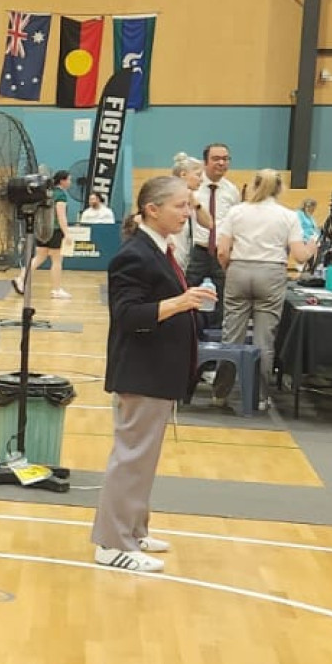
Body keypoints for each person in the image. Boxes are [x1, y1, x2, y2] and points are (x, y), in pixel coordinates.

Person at [91, 176, 217, 572]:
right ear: (153, 209)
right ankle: (112, 543)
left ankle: (133, 528)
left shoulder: (160, 250)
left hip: (160, 372)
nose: (187, 213)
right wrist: (182, 302)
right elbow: (127, 316)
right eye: (181, 206)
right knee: (131, 459)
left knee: (144, 459)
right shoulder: (134, 255)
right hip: (141, 373)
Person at [214, 169, 314, 409]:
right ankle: (258, 397)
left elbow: (222, 250)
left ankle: (220, 393)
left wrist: (231, 269)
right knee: (263, 340)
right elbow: (299, 255)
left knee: (231, 336)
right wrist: (312, 246)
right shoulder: (288, 216)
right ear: (279, 189)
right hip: (271, 272)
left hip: (238, 269)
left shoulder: (235, 212)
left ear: (253, 185)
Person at [186, 143, 239, 321]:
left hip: (221, 253)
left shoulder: (232, 191)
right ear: (205, 162)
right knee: (187, 294)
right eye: (216, 159)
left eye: (225, 159)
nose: (221, 163)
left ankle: (218, 338)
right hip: (197, 251)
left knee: (223, 299)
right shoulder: (193, 187)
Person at [14, 169, 72, 300]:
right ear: (62, 181)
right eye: (69, 179)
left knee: (39, 257)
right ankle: (56, 290)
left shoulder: (47, 193)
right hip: (54, 230)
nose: (70, 182)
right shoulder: (61, 195)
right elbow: (61, 215)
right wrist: (67, 233)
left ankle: (20, 278)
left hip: (42, 229)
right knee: (57, 260)